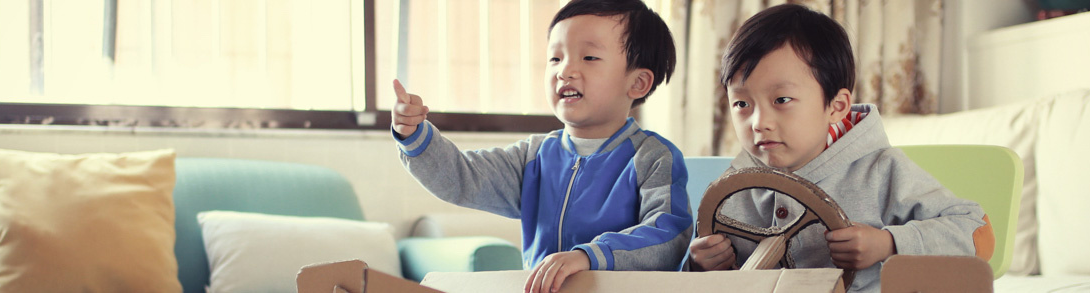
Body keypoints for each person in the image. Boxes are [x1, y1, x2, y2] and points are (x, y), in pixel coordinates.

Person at [683, 4, 989, 292]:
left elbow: (978, 235)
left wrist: (887, 243)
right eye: (741, 103)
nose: (759, 122)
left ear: (837, 106)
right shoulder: (732, 188)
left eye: (781, 100)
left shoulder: (883, 170)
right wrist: (700, 265)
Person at [390, 1, 686, 292]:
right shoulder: (533, 157)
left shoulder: (654, 157)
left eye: (589, 58)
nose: (565, 71)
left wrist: (588, 256)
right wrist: (415, 135)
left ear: (638, 83)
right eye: (555, 58)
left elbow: (667, 237)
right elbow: (461, 177)